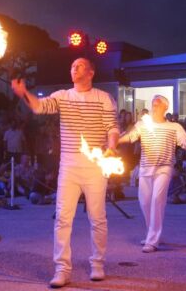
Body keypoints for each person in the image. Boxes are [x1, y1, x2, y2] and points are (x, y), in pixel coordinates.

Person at [11, 57, 119, 287]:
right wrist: (24, 92)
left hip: (95, 167)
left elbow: (112, 127)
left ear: (91, 72)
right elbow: (40, 107)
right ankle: (62, 269)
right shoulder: (62, 96)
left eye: (79, 66)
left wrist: (111, 147)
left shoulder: (103, 98)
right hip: (69, 165)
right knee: (62, 218)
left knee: (97, 218)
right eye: (71, 66)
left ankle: (97, 264)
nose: (74, 68)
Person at [118, 95, 186, 253]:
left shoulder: (174, 127)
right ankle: (151, 234)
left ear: (165, 108)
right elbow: (131, 137)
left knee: (156, 200)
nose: (155, 105)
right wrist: (115, 141)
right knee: (145, 202)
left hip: (164, 168)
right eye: (153, 103)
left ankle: (152, 240)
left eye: (158, 103)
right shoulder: (142, 124)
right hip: (146, 168)